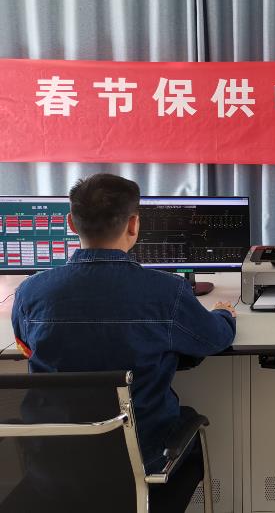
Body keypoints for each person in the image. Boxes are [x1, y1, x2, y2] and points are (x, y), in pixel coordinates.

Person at [12, 174, 237, 476]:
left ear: (71, 224)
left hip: (53, 466)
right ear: (134, 224)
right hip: (145, 461)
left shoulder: (29, 292)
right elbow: (214, 339)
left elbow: (26, 348)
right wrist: (224, 314)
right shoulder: (167, 291)